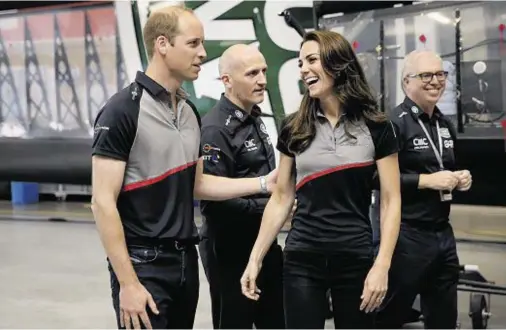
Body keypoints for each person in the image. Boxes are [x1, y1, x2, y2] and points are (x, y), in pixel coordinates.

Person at [90, 6, 277, 330]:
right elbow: (102, 202)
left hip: (185, 261)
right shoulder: (122, 111)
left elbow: (198, 184)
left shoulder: (190, 111)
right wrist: (129, 284)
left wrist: (263, 184)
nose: (202, 53)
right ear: (162, 44)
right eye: (193, 44)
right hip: (143, 264)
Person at [240, 30, 402, 329]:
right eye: (300, 62)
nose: (303, 69)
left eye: (311, 59)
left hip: (356, 257)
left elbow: (391, 201)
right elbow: (281, 197)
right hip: (303, 257)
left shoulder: (378, 126)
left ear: (337, 63)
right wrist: (255, 258)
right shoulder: (294, 126)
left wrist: (382, 265)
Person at [375, 50, 472, 329]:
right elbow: (373, 178)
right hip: (406, 234)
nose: (435, 81)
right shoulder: (393, 124)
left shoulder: (444, 124)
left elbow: (445, 166)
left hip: (442, 232)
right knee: (388, 316)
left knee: (444, 318)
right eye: (426, 75)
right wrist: (427, 181)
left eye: (440, 74)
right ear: (407, 82)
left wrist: (460, 177)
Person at [198, 44, 287, 329]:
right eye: (251, 73)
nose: (262, 79)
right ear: (227, 80)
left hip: (264, 240)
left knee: (275, 319)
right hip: (229, 247)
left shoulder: (254, 118)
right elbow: (214, 202)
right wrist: (271, 205)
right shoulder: (216, 129)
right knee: (234, 321)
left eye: (263, 71)